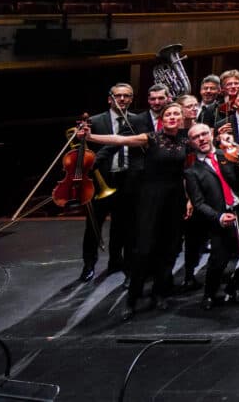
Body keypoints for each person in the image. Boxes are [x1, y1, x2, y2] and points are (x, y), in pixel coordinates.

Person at [75, 102, 191, 320]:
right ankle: (133, 297)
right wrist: (91, 138)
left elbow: (190, 167)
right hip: (151, 198)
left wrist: (188, 200)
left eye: (177, 113)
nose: (173, 117)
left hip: (175, 199)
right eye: (168, 114)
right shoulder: (151, 138)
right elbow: (120, 139)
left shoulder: (186, 139)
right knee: (144, 249)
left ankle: (159, 292)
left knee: (169, 249)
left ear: (182, 117)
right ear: (162, 119)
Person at [183, 122, 239, 309]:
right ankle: (209, 293)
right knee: (219, 258)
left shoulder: (227, 154)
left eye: (204, 134)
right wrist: (218, 217)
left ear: (212, 134)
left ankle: (235, 285)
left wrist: (235, 148)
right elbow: (198, 203)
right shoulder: (192, 171)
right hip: (220, 216)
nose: (202, 139)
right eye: (196, 137)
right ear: (190, 142)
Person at [79, 83, 152, 283]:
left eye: (127, 96)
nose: (122, 99)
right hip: (102, 178)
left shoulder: (139, 120)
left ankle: (118, 262)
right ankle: (89, 264)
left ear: (131, 99)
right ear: (109, 99)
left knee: (124, 226)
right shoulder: (94, 121)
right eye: (118, 96)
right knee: (94, 227)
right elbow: (82, 152)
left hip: (128, 179)